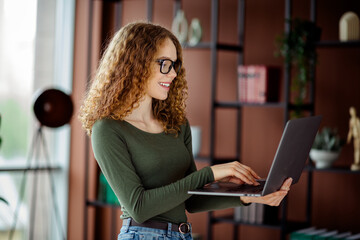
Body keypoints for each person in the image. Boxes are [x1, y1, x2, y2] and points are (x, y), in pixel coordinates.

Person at [79, 22, 292, 240]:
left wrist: (249, 196)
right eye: (164, 64)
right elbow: (138, 207)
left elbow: (192, 200)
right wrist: (209, 174)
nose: (172, 74)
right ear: (135, 64)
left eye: (174, 65)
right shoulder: (107, 129)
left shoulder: (177, 125)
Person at [347, 106, 360, 171]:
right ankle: (356, 161)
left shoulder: (357, 120)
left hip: (358, 138)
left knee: (358, 150)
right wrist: (349, 138)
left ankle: (357, 162)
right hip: (355, 138)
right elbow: (350, 130)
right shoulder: (351, 121)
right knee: (356, 150)